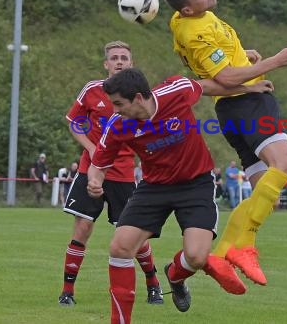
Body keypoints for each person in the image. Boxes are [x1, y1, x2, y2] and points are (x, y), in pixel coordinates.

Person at [88, 68, 271, 323]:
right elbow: (98, 163)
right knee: (120, 247)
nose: (115, 110)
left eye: (119, 103)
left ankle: (175, 276)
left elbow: (207, 86)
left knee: (197, 257)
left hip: (195, 184)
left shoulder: (176, 91)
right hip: (154, 187)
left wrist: (248, 88)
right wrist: (95, 181)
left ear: (139, 98)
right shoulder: (119, 125)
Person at [163, 0, 287, 285]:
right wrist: (274, 62)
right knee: (286, 165)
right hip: (246, 102)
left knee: (265, 190)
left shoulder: (182, 19)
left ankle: (230, 250)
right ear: (187, 10)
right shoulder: (195, 30)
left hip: (231, 110)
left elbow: (216, 63)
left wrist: (241, 54)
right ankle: (238, 246)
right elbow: (224, 79)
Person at [59, 41, 163, 307]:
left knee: (131, 236)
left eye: (124, 58)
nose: (119, 61)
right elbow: (73, 122)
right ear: (106, 64)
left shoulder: (141, 97)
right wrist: (93, 149)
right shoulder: (93, 90)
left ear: (131, 63)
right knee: (82, 227)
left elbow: (150, 130)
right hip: (90, 170)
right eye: (114, 58)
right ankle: (67, 291)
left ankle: (153, 285)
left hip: (124, 175)